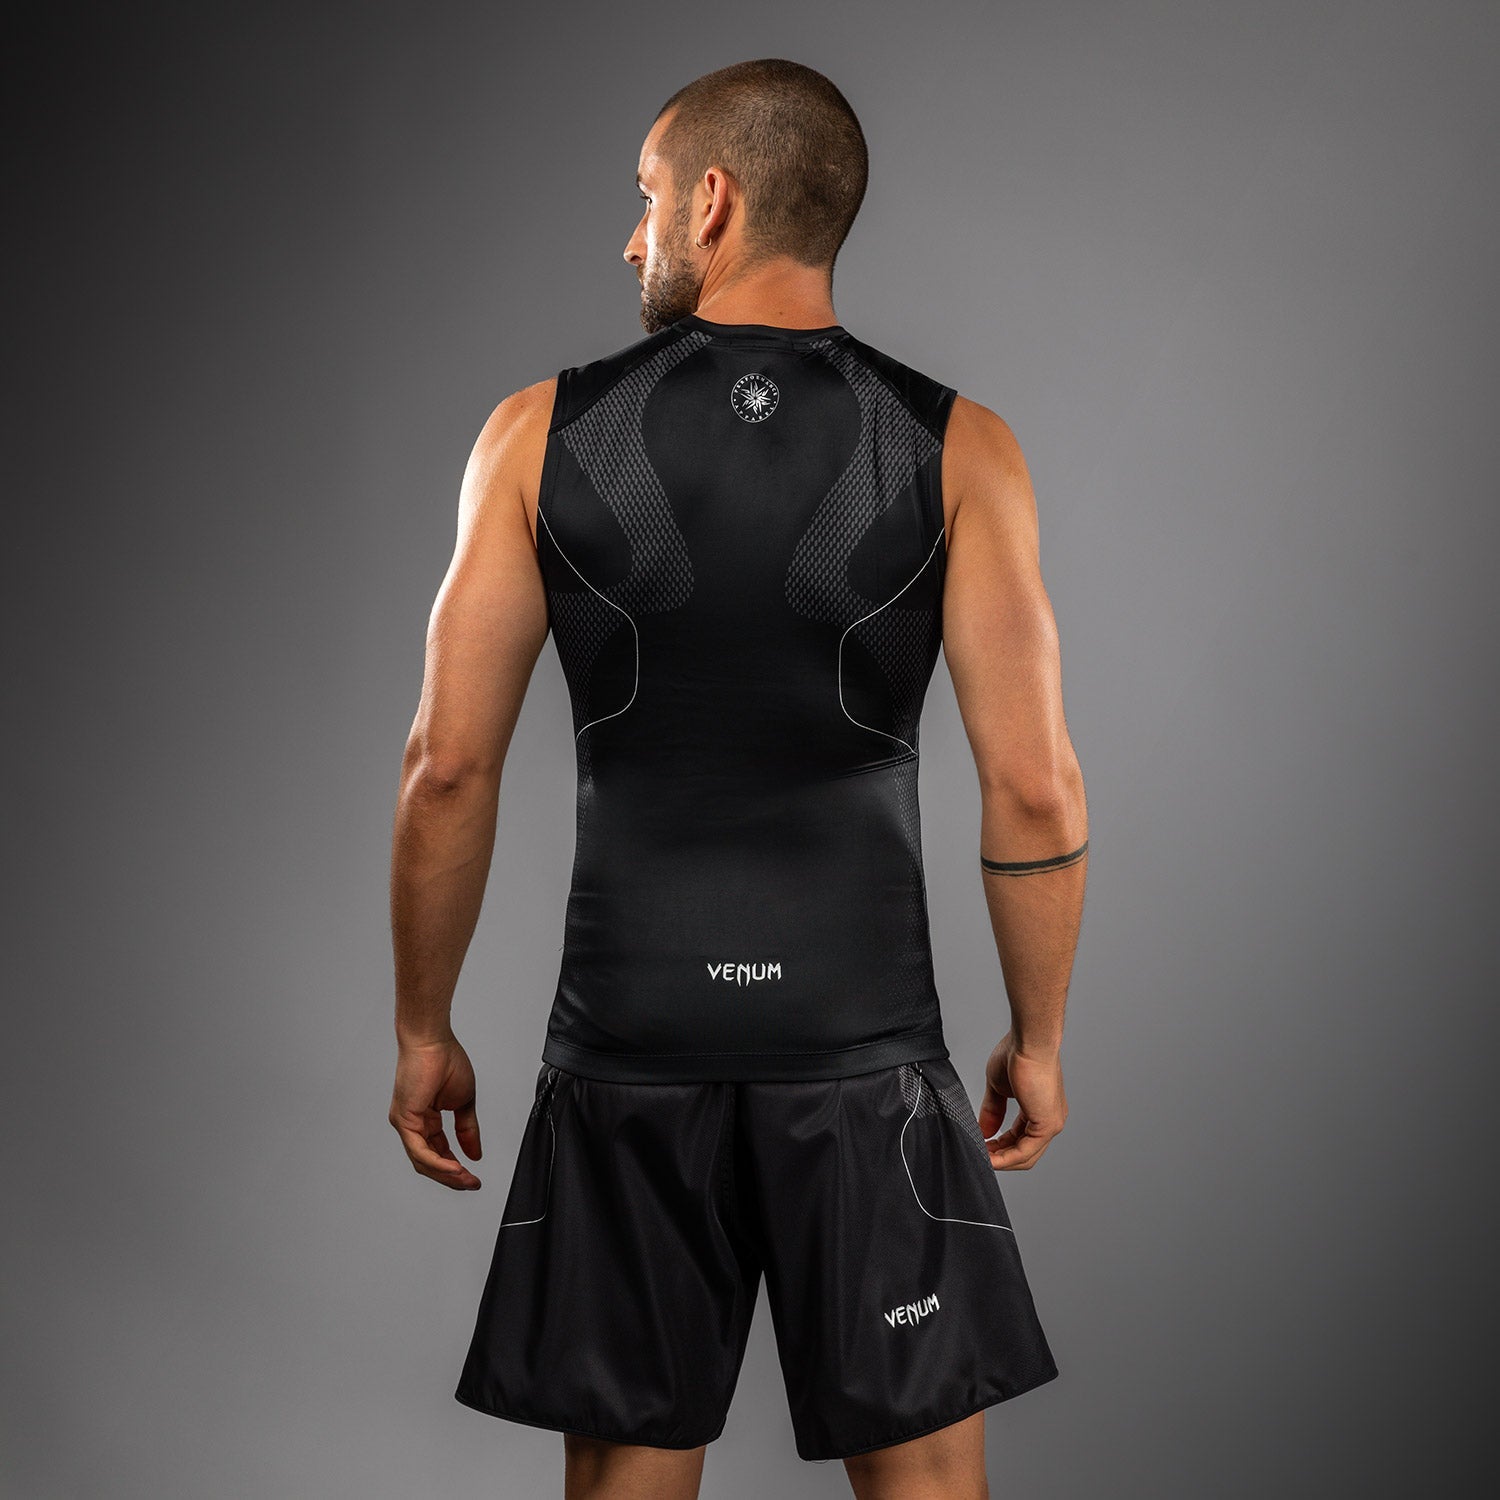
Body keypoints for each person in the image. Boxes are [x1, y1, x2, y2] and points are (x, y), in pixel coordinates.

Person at [388, 57, 1088, 1500]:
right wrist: (1040, 1036)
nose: (630, 237)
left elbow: (446, 768)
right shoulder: (960, 448)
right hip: (866, 1055)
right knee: (929, 1487)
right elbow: (1034, 791)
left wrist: (422, 1025)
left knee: (627, 1485)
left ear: (712, 202)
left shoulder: (535, 437)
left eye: (645, 198)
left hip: (629, 1045)